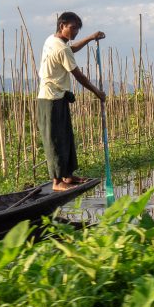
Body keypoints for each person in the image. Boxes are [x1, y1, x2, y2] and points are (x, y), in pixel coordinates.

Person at [37, 11, 106, 191]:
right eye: (72, 28)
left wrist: (91, 38)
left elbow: (71, 49)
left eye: (77, 29)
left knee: (66, 136)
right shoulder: (61, 48)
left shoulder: (52, 40)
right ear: (62, 26)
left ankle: (67, 176)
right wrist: (97, 92)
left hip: (58, 97)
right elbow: (79, 76)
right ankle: (57, 182)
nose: (75, 32)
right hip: (50, 99)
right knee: (55, 140)